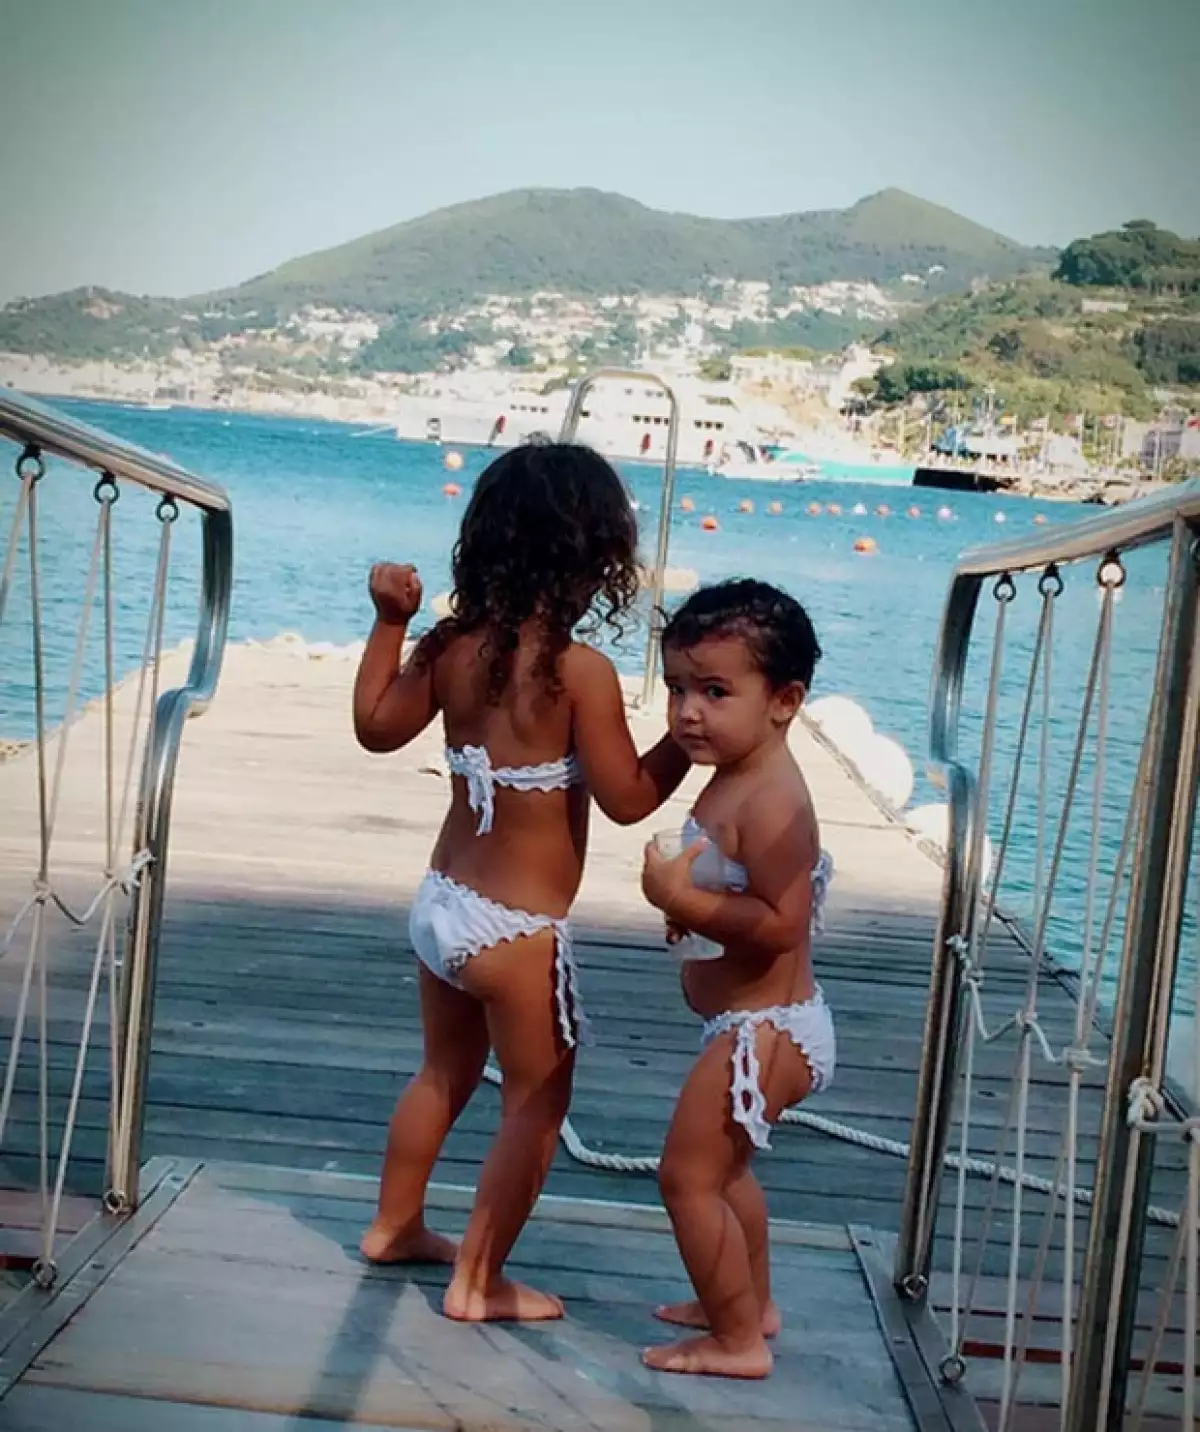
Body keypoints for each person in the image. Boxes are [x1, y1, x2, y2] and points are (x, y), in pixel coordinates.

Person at [352, 441, 690, 1323]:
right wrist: (686, 741)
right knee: (538, 1104)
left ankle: (393, 1226)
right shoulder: (580, 673)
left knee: (444, 1071)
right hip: (514, 932)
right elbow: (626, 800)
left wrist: (389, 622)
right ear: (595, 559)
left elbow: (375, 728)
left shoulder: (448, 645)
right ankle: (478, 1281)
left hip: (442, 906)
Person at [639, 579, 835, 1379]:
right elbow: (741, 897)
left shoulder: (775, 800)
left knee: (686, 1178)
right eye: (678, 688)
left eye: (715, 692)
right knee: (727, 1174)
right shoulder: (735, 771)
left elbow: (784, 923)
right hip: (752, 1024)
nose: (688, 712)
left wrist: (679, 898)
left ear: (785, 700)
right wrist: (700, 910)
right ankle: (748, 1303)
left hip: (768, 1032)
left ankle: (736, 1341)